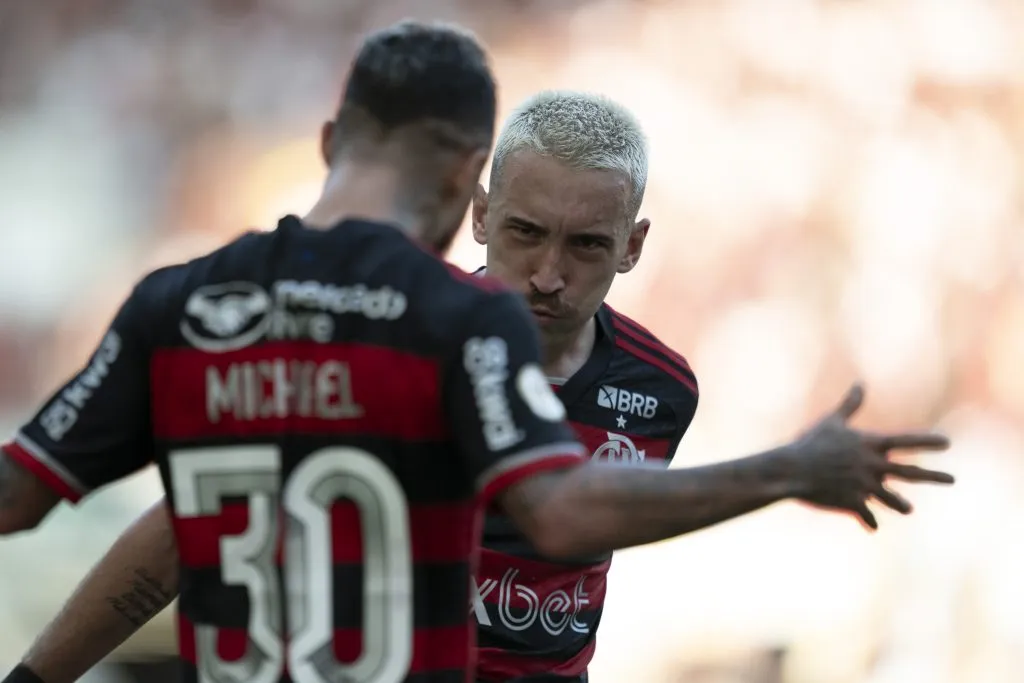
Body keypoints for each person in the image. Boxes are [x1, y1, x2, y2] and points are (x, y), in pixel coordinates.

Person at [0, 78, 954, 683]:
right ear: (481, 215)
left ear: (633, 247)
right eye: (525, 234)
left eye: (586, 245)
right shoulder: (374, 335)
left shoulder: (661, 388)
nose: (547, 273)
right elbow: (183, 531)